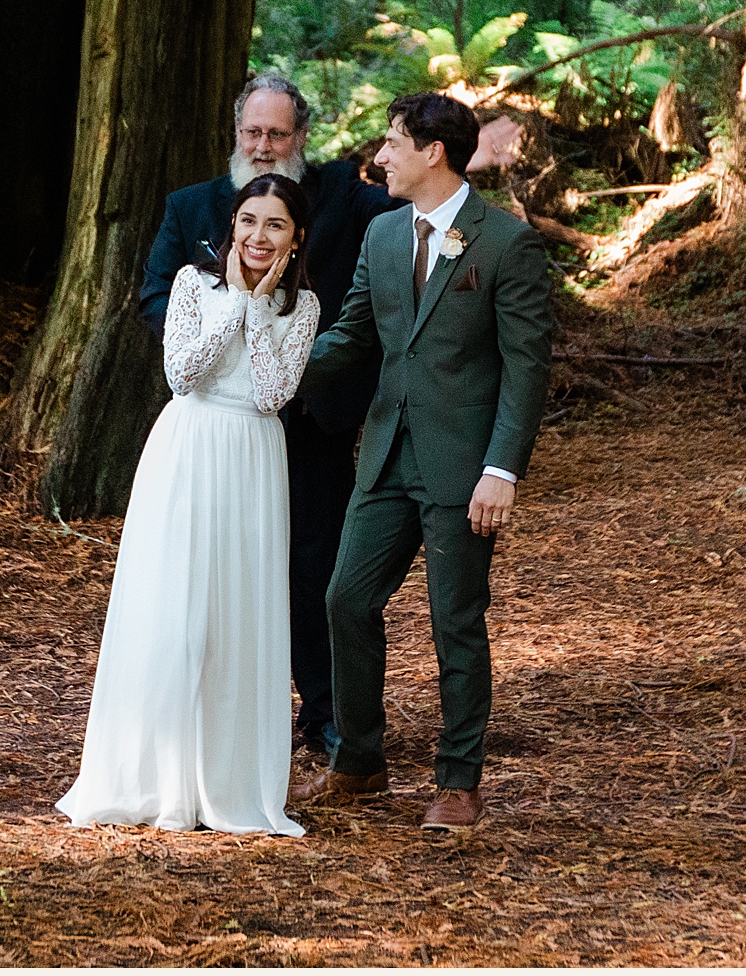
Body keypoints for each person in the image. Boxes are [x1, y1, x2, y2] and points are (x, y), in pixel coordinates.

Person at [290, 91, 556, 830]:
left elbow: (525, 368)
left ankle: (459, 780)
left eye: (392, 142)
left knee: (455, 621)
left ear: (433, 151)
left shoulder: (504, 243)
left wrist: (502, 468)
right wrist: (276, 366)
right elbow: (352, 336)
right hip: (382, 456)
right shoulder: (380, 235)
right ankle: (360, 762)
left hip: (463, 467)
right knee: (345, 598)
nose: (381, 156)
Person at [137, 73, 398, 758]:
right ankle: (195, 716)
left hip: (310, 420)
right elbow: (157, 296)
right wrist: (208, 347)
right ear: (236, 134)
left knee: (316, 568)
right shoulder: (193, 208)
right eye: (252, 132)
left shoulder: (341, 196)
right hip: (210, 425)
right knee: (204, 571)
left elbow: (413, 216)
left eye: (277, 133)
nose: (263, 145)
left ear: (300, 137)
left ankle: (325, 712)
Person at [58, 174, 321, 835]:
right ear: (231, 226)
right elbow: (183, 372)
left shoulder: (304, 306)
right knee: (176, 613)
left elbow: (270, 392)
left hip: (253, 458)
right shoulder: (188, 284)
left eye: (276, 225)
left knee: (236, 611)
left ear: (296, 238)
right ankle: (152, 776)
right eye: (249, 221)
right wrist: (234, 302)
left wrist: (260, 310)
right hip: (187, 446)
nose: (259, 236)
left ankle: (227, 782)